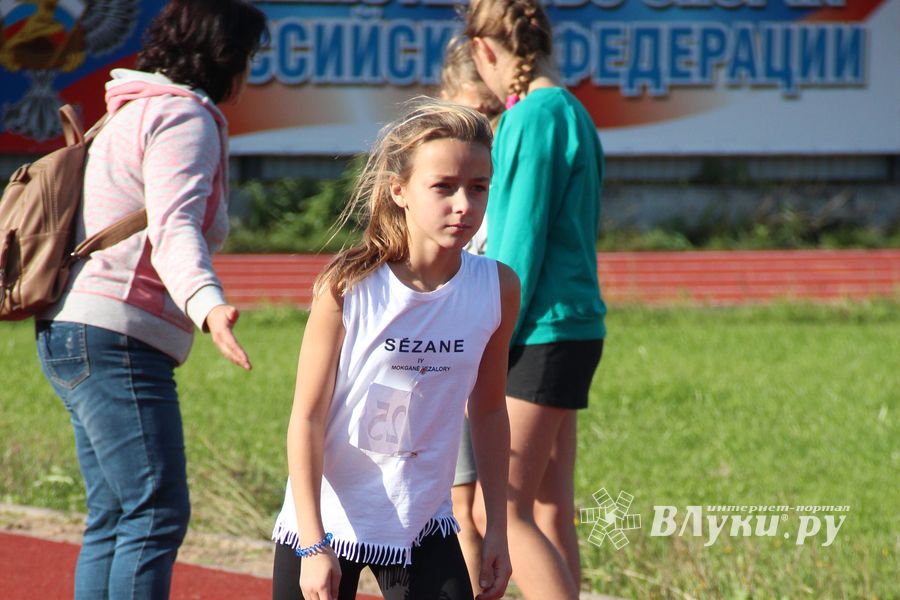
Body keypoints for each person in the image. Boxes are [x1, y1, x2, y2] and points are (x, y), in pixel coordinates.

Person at [34, 1, 266, 597]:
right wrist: (207, 305)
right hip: (117, 335)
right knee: (155, 511)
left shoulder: (127, 110)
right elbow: (175, 225)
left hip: (69, 327)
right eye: (250, 57)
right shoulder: (184, 117)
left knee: (114, 515)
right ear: (226, 57)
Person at [270, 98, 518, 600]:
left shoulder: (496, 287)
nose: (464, 206)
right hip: (329, 521)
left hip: (421, 522)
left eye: (478, 188)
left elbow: (489, 410)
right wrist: (313, 547)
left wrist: (497, 529)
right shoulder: (350, 287)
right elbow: (307, 418)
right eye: (443, 187)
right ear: (399, 190)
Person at [464, 0, 608, 597]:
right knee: (549, 508)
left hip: (537, 330)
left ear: (485, 52)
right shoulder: (573, 110)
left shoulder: (529, 119)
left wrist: (484, 333)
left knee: (497, 512)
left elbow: (516, 245)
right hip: (572, 327)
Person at [437, 33, 505, 595]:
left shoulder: (498, 176)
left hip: (493, 353)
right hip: (446, 359)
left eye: (495, 110)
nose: (488, 122)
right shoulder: (432, 180)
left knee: (487, 504)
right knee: (461, 503)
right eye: (476, 109)